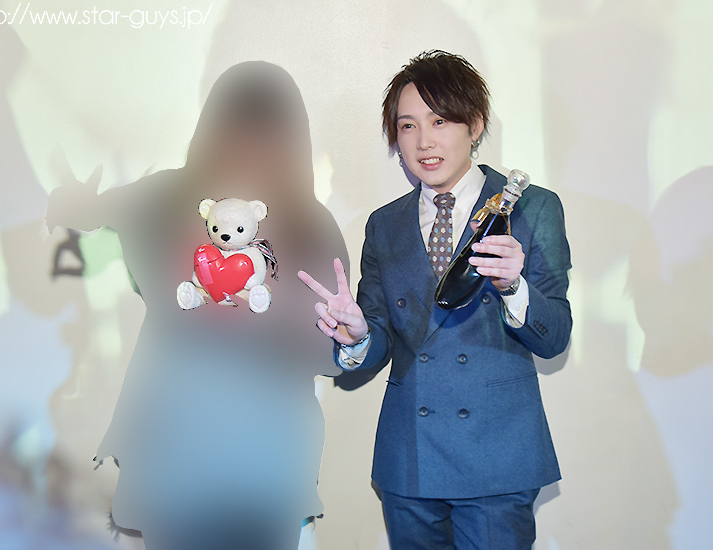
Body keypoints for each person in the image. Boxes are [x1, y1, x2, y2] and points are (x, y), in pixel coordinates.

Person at [47, 61, 346, 550]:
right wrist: (72, 202)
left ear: (291, 143)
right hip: (177, 453)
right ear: (211, 131)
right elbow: (97, 209)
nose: (250, 148)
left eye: (267, 135)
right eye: (236, 130)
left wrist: (336, 335)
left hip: (267, 463)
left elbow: (329, 355)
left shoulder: (310, 224)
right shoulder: (168, 196)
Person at [298, 50, 572, 549]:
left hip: (498, 454)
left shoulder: (531, 207)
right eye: (408, 125)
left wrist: (515, 287)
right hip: (411, 457)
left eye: (440, 120)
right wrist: (357, 336)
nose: (423, 141)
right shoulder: (384, 224)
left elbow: (555, 337)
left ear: (475, 124)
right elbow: (379, 337)